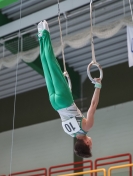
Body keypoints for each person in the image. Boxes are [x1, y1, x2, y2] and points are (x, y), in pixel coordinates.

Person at [38, 20, 102, 158]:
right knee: (46, 68)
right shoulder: (70, 132)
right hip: (54, 103)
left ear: (86, 143)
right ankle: (41, 37)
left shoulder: (87, 127)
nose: (92, 143)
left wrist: (98, 86)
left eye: (90, 145)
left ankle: (45, 33)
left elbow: (93, 105)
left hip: (65, 100)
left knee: (53, 64)